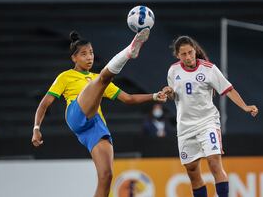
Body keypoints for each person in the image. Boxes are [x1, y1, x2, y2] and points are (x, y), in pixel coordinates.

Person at [31, 29, 167, 197]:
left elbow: (129, 98)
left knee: (106, 176)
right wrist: (36, 128)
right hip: (76, 114)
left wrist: (154, 96)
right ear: (74, 58)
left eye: (91, 53)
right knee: (103, 79)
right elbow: (44, 104)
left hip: (95, 126)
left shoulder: (97, 79)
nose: (89, 57)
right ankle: (129, 51)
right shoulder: (65, 77)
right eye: (83, 54)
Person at [162, 36, 258, 197]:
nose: (188, 57)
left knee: (214, 162)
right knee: (192, 171)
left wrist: (245, 107)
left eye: (190, 52)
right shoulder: (173, 71)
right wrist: (169, 92)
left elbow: (228, 89)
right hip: (185, 127)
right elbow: (174, 95)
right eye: (183, 54)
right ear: (178, 55)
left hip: (207, 123)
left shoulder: (208, 69)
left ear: (195, 50)